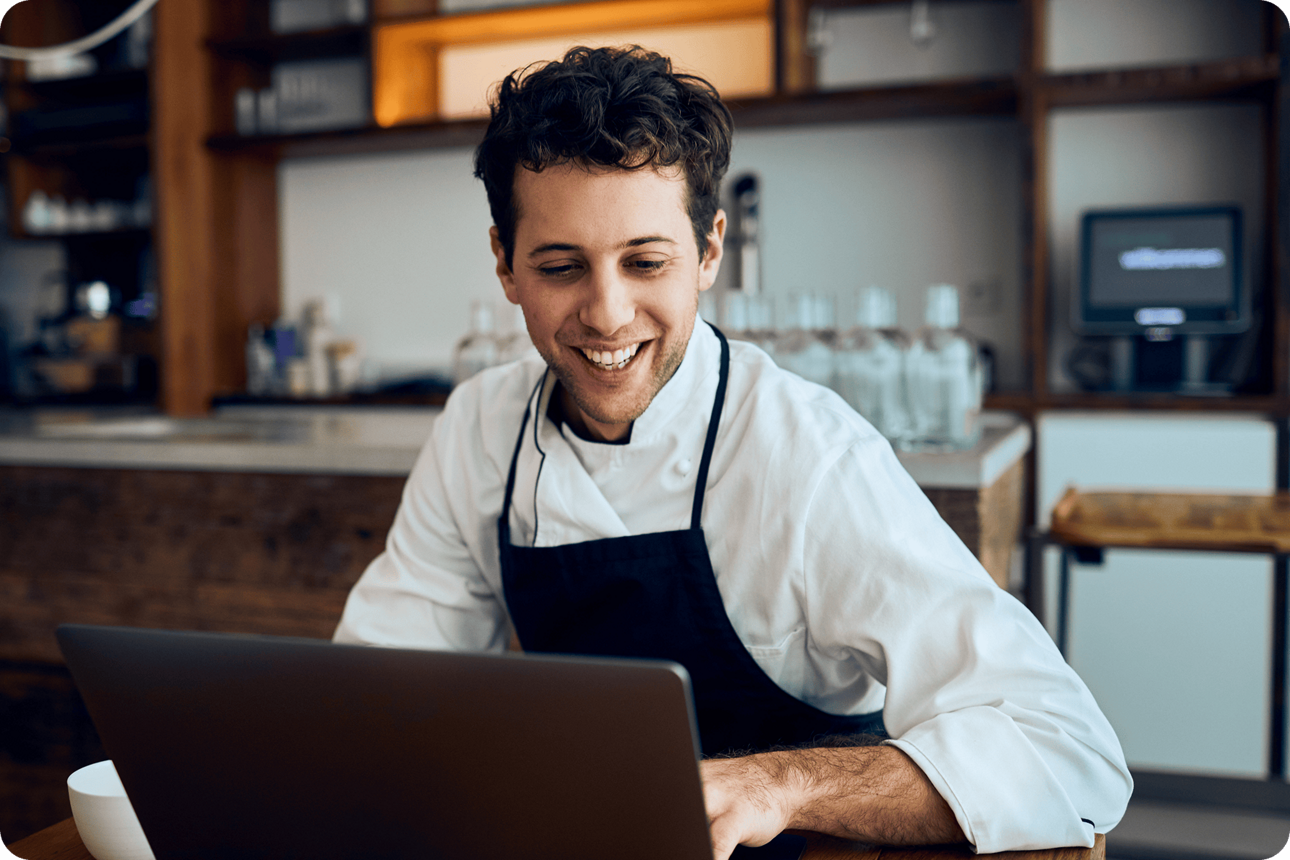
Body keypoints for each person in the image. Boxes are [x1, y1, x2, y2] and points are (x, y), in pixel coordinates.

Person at [334, 44, 1131, 860]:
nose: (607, 315)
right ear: (505, 263)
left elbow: (1066, 752)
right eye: (561, 266)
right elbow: (376, 702)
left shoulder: (806, 455)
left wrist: (773, 786)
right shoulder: (479, 427)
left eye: (646, 262)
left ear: (710, 252)